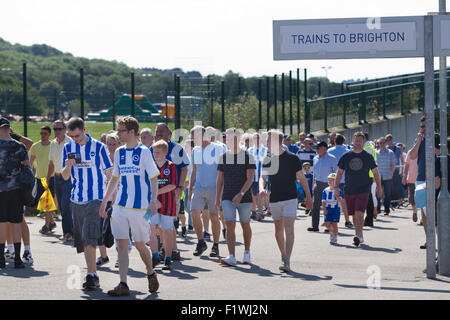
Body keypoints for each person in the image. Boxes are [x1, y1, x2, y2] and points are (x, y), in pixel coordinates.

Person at [99, 116, 160, 296]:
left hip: (140, 208)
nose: (118, 134)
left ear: (131, 132)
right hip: (120, 206)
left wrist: (154, 200)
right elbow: (114, 179)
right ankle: (123, 283)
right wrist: (105, 201)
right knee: (122, 246)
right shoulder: (119, 153)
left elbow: (153, 177)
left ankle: (150, 272)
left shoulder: (144, 152)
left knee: (141, 244)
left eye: (121, 131)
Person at [62, 117, 112, 291]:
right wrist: (67, 166)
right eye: (71, 136)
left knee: (89, 235)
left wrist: (109, 199)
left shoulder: (98, 147)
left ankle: (91, 274)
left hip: (96, 197)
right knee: (83, 239)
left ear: (84, 130)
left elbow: (109, 172)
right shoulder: (68, 147)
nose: (74, 139)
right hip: (76, 198)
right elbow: (65, 176)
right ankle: (93, 273)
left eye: (77, 135)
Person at [260, 130, 313, 272]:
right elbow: (263, 177)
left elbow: (302, 178)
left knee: (289, 228)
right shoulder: (268, 159)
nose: (267, 143)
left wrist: (309, 197)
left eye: (270, 141)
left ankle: (287, 260)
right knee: (278, 230)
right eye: (267, 141)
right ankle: (283, 255)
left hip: (290, 198)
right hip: (275, 198)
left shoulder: (292, 158)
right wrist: (261, 188)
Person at [334, 132, 382, 247]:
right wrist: (335, 187)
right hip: (349, 189)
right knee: (354, 216)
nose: (358, 142)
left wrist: (379, 188)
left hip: (364, 188)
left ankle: (357, 236)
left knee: (359, 213)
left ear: (363, 142)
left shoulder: (367, 156)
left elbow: (375, 172)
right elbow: (339, 173)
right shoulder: (346, 156)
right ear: (352, 142)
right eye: (356, 140)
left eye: (360, 140)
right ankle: (360, 235)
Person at [216, 128, 256, 266]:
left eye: (231, 138)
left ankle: (247, 253)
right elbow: (220, 180)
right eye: (226, 138)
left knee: (245, 224)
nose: (228, 140)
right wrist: (217, 199)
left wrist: (241, 194)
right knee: (230, 225)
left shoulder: (247, 156)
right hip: (227, 196)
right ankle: (231, 256)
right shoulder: (223, 157)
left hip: (244, 197)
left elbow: (250, 178)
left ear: (237, 140)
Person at [151, 123, 189, 261]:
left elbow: (184, 169)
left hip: (172, 192)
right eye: (157, 132)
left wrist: (179, 187)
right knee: (157, 224)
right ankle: (167, 249)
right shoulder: (152, 149)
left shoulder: (177, 148)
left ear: (169, 134)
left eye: (162, 132)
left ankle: (172, 250)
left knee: (167, 223)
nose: (158, 134)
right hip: (154, 194)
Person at [188, 126, 226, 257]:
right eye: (193, 138)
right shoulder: (195, 151)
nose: (194, 140)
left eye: (196, 137)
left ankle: (216, 245)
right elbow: (194, 170)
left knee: (214, 216)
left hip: (214, 188)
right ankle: (200, 242)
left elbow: (223, 171)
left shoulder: (218, 149)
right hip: (198, 187)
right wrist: (190, 188)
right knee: (194, 214)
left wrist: (221, 190)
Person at [0, 117, 30, 269]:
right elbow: (27, 169)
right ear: (8, 128)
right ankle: (17, 259)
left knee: (2, 222)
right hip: (16, 190)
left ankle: (1, 259)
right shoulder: (20, 146)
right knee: (17, 222)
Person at [97, 132, 122, 267]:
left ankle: (120, 257)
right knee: (100, 227)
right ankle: (103, 256)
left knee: (118, 230)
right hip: (104, 198)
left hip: (119, 199)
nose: (112, 147)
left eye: (114, 144)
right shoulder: (103, 158)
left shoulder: (122, 158)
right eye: (109, 144)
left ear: (119, 144)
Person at [47, 120, 73, 242]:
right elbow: (51, 163)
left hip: (68, 177)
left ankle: (68, 233)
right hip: (57, 177)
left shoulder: (70, 142)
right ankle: (68, 232)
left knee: (65, 205)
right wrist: (47, 180)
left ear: (65, 129)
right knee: (63, 208)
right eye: (55, 129)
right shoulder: (52, 143)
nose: (57, 131)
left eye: (59, 129)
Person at [30, 125, 56, 235]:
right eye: (41, 133)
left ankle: (46, 225)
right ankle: (51, 222)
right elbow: (30, 163)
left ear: (49, 134)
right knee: (45, 202)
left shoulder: (53, 146)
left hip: (51, 177)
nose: (43, 136)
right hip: (39, 178)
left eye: (45, 133)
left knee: (46, 202)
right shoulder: (35, 146)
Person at [308, 141, 337, 232]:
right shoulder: (315, 158)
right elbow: (314, 173)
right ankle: (315, 226)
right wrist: (313, 184)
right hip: (318, 184)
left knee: (328, 206)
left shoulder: (332, 158)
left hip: (328, 185)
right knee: (315, 206)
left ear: (324, 149)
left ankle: (330, 226)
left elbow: (336, 173)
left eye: (318, 148)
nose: (316, 150)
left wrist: (334, 186)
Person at [327, 134, 353, 227]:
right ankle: (347, 220)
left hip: (332, 178)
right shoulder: (348, 151)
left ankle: (328, 219)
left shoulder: (329, 151)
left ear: (334, 141)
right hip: (344, 179)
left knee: (329, 200)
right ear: (343, 142)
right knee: (343, 200)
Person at [247, 133, 268, 222]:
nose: (257, 139)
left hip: (262, 176)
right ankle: (253, 211)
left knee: (260, 194)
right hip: (252, 176)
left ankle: (260, 212)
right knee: (252, 195)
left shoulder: (266, 150)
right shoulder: (249, 150)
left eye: (258, 138)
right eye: (255, 138)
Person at [376, 137, 396, 216]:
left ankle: (386, 210)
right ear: (378, 144)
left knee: (387, 194)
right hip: (378, 177)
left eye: (383, 142)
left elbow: (393, 164)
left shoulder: (390, 152)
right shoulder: (376, 153)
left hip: (387, 176)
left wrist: (391, 173)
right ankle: (378, 209)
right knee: (378, 193)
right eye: (380, 143)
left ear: (386, 143)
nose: (382, 144)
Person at [322, 173, 344, 245]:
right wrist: (324, 209)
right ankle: (332, 232)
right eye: (329, 180)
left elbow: (340, 200)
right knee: (327, 223)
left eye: (332, 180)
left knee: (334, 224)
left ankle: (335, 237)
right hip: (328, 208)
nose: (330, 181)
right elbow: (323, 201)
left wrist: (337, 196)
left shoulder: (339, 190)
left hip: (335, 209)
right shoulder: (325, 190)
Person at [362, 132, 377, 227]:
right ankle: (369, 218)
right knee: (369, 197)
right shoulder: (369, 146)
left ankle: (369, 219)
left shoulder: (367, 148)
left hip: (366, 175)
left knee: (368, 198)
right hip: (369, 175)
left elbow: (365, 162)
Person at [386, 134, 405, 201]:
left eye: (389, 140)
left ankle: (397, 200)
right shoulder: (385, 149)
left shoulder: (397, 148)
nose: (387, 142)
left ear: (392, 140)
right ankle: (391, 200)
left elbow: (402, 160)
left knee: (396, 186)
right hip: (387, 171)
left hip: (396, 169)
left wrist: (402, 171)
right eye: (386, 140)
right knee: (389, 186)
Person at [403, 146, 419, 222]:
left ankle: (423, 216)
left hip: (421, 179)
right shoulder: (410, 152)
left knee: (422, 198)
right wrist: (404, 177)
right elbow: (406, 165)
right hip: (411, 179)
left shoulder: (423, 151)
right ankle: (415, 211)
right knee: (412, 199)